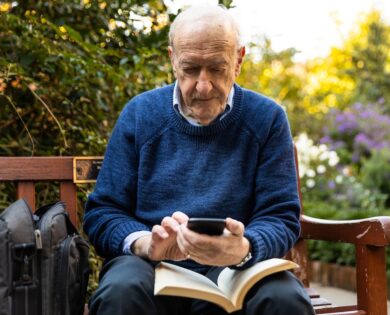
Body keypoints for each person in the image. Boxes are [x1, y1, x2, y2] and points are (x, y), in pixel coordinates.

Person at [84, 4, 314, 315]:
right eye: (190, 69)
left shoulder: (267, 119)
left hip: (237, 268)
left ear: (238, 61)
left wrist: (244, 247)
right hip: (152, 269)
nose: (203, 87)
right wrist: (144, 243)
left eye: (217, 69)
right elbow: (103, 213)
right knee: (120, 291)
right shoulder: (140, 115)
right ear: (172, 60)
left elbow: (280, 215)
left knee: (285, 299)